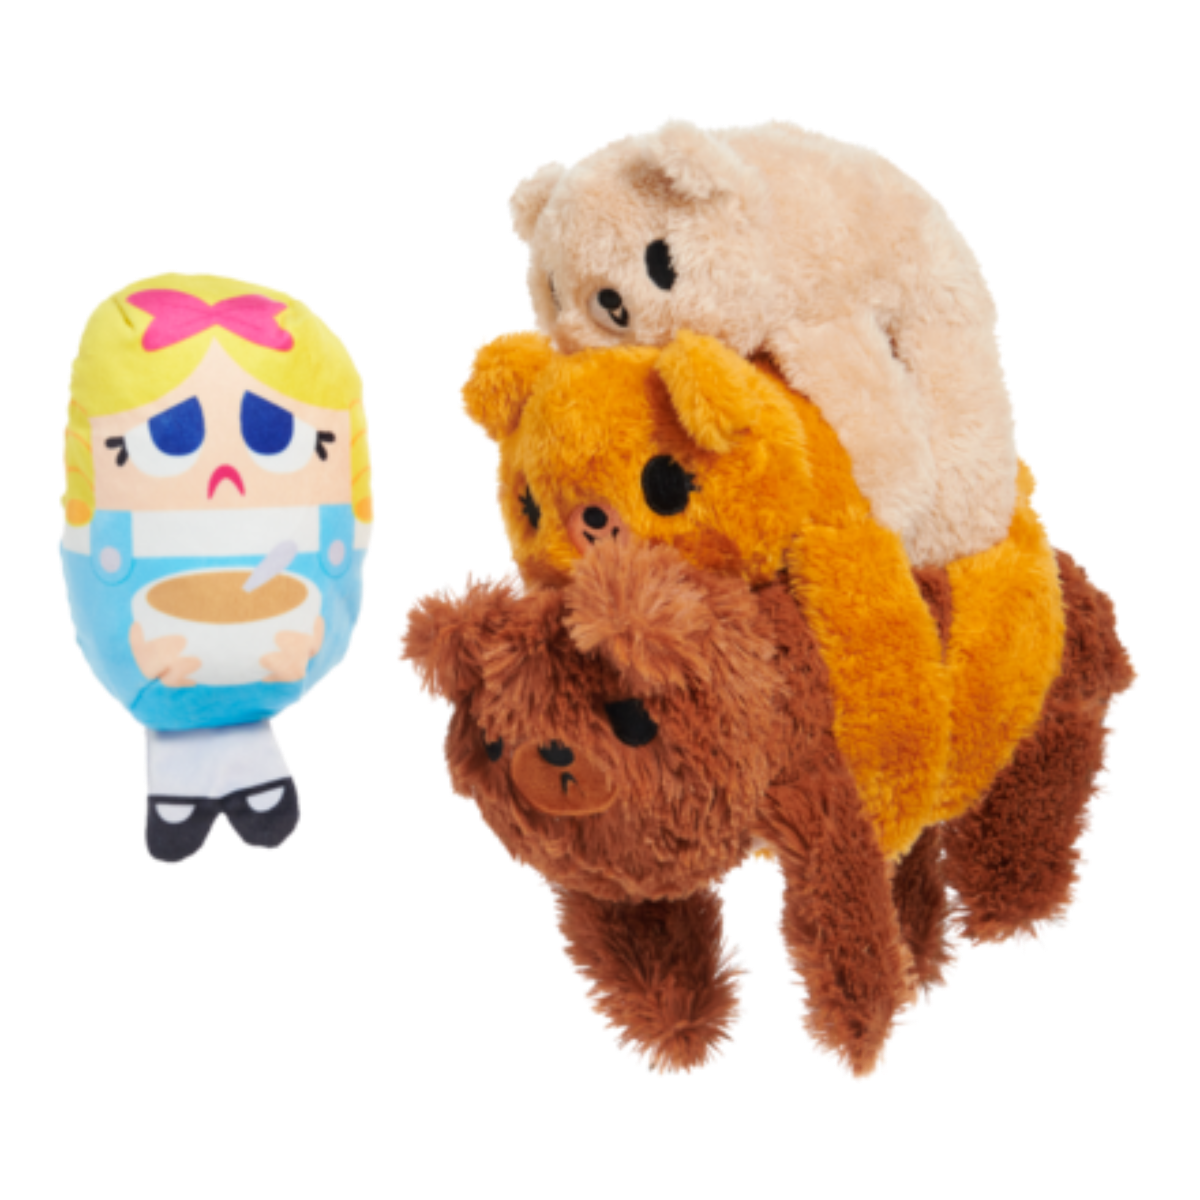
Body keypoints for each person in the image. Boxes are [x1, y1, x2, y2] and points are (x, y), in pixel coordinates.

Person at [59, 271, 374, 864]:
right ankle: (211, 773)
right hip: (159, 656)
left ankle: (218, 771)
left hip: (266, 655)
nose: (223, 478)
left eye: (274, 431)